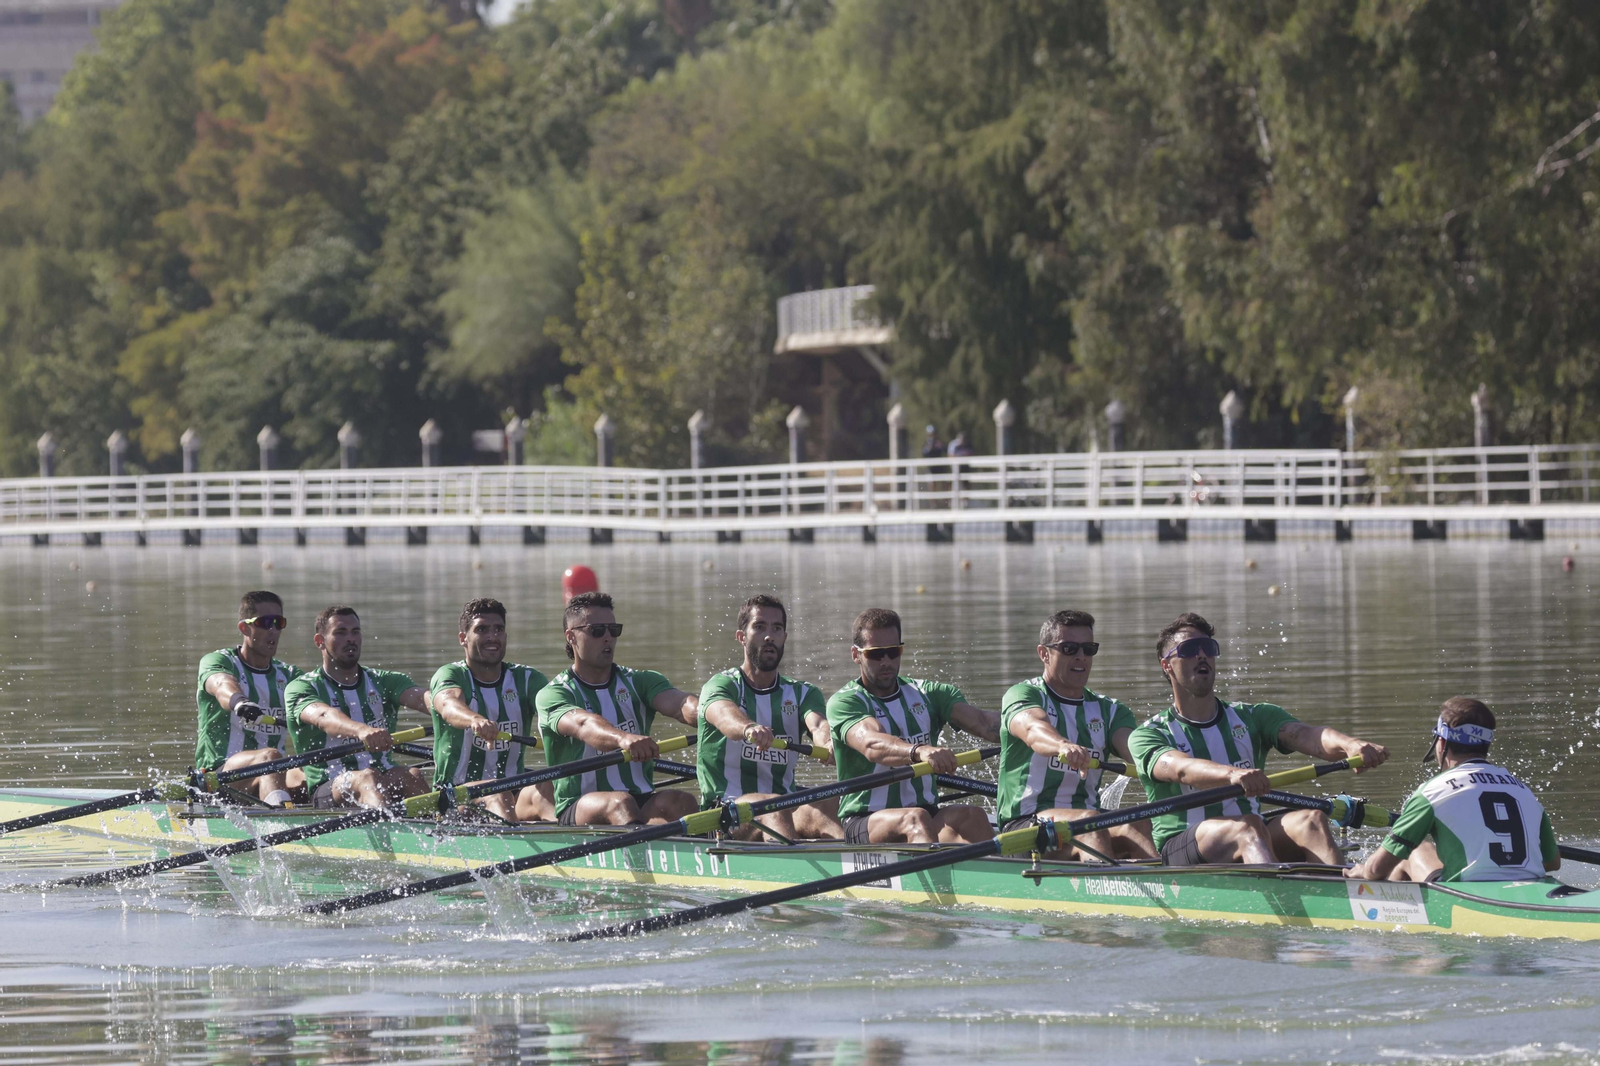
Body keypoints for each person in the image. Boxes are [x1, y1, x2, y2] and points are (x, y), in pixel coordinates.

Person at [1128, 612, 1389, 866]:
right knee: (1247, 827)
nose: (1201, 654)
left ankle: (1344, 897)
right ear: (1166, 665)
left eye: (1207, 647)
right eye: (1189, 649)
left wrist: (1349, 745)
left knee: (1311, 820)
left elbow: (1307, 735)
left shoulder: (1254, 716)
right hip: (1183, 845)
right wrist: (1232, 775)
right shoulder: (1149, 734)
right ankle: (1279, 897)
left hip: (1253, 833)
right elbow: (1181, 768)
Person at [826, 607, 1001, 845]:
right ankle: (932, 881)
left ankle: (1003, 879)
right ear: (856, 655)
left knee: (973, 815)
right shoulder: (846, 701)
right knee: (915, 819)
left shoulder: (930, 693)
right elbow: (872, 743)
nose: (886, 661)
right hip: (865, 821)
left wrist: (1035, 730)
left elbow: (984, 724)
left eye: (893, 651)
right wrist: (920, 751)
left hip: (926, 815)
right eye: (876, 654)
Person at [998, 610, 1157, 860]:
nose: (1081, 657)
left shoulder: (1111, 711)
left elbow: (1136, 752)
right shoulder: (1024, 695)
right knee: (1090, 823)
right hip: (1023, 826)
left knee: (1138, 823)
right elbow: (1032, 730)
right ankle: (1105, 892)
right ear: (1044, 654)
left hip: (1085, 822)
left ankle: (1170, 888)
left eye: (1088, 649)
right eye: (1070, 648)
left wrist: (1169, 765)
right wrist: (1062, 745)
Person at [1346, 698, 1559, 883]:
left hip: (1467, 897)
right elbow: (1551, 861)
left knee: (1415, 849)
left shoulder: (1431, 793)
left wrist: (1364, 870)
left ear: (1441, 742)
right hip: (1528, 885)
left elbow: (1376, 870)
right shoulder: (1522, 789)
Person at [535, 591, 700, 826]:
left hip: (640, 799)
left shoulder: (641, 681)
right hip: (579, 805)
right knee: (619, 803)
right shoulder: (554, 694)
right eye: (597, 631)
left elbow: (680, 704)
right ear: (571, 637)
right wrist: (623, 738)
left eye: (614, 630)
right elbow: (584, 725)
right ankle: (639, 860)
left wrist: (713, 715)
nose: (608, 638)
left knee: (681, 801)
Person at [697, 594, 842, 841]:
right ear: (741, 637)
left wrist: (827, 743)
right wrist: (748, 728)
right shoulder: (721, 685)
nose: (769, 636)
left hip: (785, 807)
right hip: (723, 815)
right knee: (772, 807)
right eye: (759, 627)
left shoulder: (803, 693)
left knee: (830, 806)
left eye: (777, 628)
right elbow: (724, 716)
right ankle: (790, 872)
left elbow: (818, 724)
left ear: (784, 637)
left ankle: (857, 867)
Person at [284, 606, 432, 808]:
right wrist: (362, 730)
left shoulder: (385, 681)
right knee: (367, 778)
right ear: (320, 641)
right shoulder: (302, 687)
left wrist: (456, 713)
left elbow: (425, 699)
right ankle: (392, 832)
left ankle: (442, 834)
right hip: (329, 784)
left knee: (412, 775)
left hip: (382, 775)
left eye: (355, 632)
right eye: (340, 633)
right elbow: (324, 716)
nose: (350, 639)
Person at [428, 598, 553, 823]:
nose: (492, 637)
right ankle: (520, 849)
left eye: (499, 630)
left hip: (515, 789)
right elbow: (448, 706)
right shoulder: (451, 675)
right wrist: (475, 720)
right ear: (463, 639)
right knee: (498, 795)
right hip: (456, 794)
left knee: (551, 787)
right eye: (482, 630)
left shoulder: (527, 679)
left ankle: (572, 846)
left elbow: (557, 712)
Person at [194, 590, 304, 807]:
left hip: (273, 770)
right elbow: (221, 684)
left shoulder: (291, 676)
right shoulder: (220, 661)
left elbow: (316, 708)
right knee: (270, 758)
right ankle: (281, 826)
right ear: (244, 627)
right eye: (265, 623)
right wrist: (240, 702)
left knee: (311, 772)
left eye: (278, 622)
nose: (273, 630)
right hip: (219, 775)